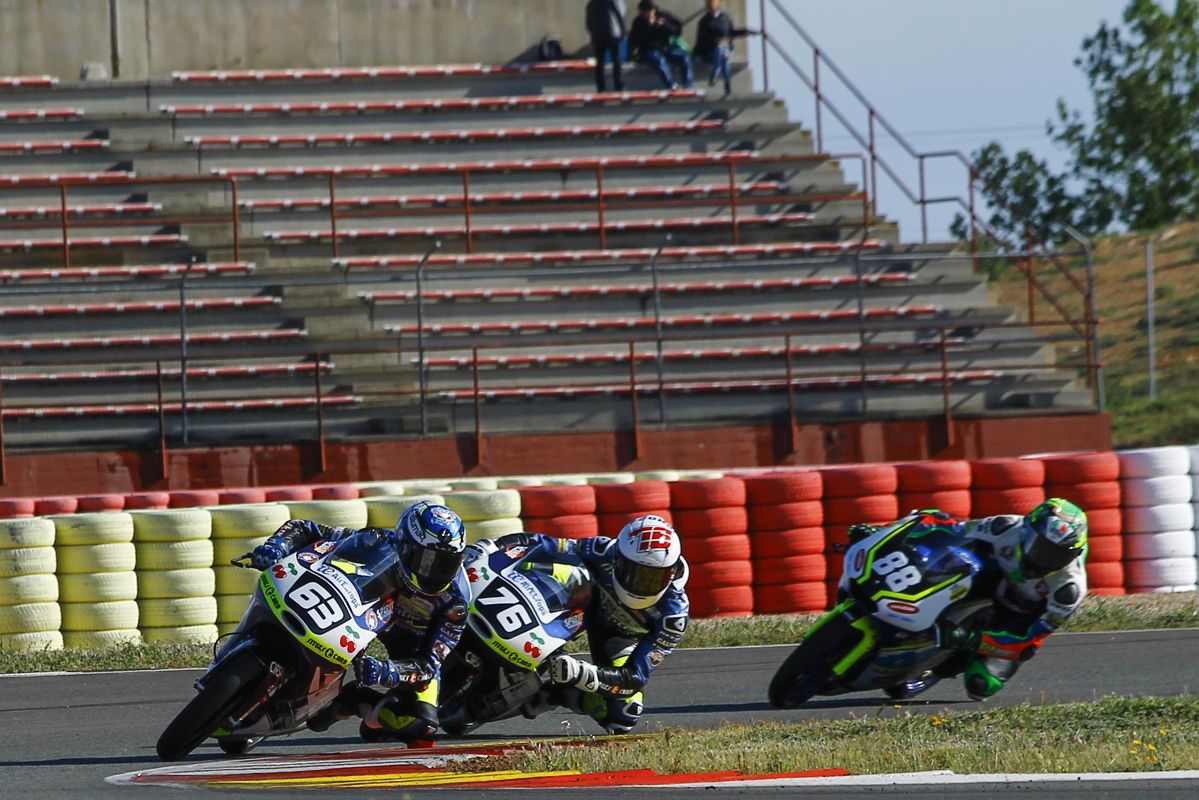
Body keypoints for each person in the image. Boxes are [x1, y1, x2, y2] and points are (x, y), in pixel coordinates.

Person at [249, 500, 469, 746]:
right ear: (406, 546)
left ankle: (351, 701)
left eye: (448, 563)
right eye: (428, 560)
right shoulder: (376, 541)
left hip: (410, 645)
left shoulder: (455, 603)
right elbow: (304, 528)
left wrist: (388, 671)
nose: (436, 572)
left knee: (421, 725)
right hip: (360, 617)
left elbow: (429, 665)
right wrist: (277, 546)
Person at [847, 498, 1089, 701]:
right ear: (1027, 530)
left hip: (1014, 620)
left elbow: (1027, 640)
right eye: (1040, 546)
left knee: (980, 687)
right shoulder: (1004, 527)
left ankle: (943, 666)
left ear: (1073, 554)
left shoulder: (1068, 590)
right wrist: (883, 531)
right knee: (933, 521)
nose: (1044, 559)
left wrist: (976, 641)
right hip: (986, 579)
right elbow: (947, 526)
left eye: (1056, 555)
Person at [479, 515, 689, 734]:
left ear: (672, 572)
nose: (642, 585)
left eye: (654, 578)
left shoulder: (673, 616)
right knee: (560, 566)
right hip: (579, 600)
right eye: (635, 573)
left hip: (618, 636)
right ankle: (498, 611)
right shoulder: (604, 550)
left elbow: (634, 678)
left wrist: (581, 674)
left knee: (624, 714)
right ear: (619, 558)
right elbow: (545, 544)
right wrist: (494, 547)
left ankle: (554, 694)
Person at [692, 0, 754, 95]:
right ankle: (726, 83)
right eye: (710, 3)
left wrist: (746, 32)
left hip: (725, 49)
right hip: (710, 52)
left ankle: (715, 76)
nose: (711, 5)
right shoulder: (704, 22)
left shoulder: (725, 18)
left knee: (724, 54)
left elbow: (731, 33)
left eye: (713, 2)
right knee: (721, 50)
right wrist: (716, 42)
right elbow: (702, 40)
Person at [628, 0, 693, 90]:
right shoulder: (638, 22)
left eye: (650, 11)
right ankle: (671, 85)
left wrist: (664, 25)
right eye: (646, 12)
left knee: (684, 57)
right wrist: (648, 26)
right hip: (648, 51)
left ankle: (688, 85)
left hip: (665, 48)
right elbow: (635, 40)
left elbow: (677, 30)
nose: (649, 14)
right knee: (658, 59)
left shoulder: (662, 16)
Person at [586, 0, 628, 93]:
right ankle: (618, 84)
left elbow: (588, 20)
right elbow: (619, 14)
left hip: (597, 35)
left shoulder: (592, 2)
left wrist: (593, 32)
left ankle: (601, 87)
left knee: (600, 62)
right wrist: (623, 31)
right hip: (612, 34)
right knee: (616, 60)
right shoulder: (613, 1)